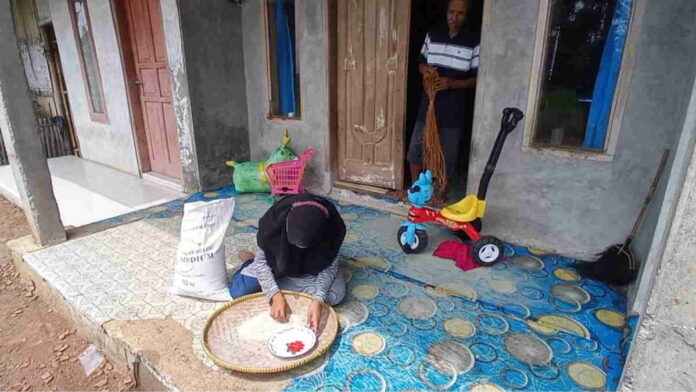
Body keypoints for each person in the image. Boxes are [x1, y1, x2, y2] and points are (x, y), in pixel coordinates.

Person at [228, 193, 347, 332]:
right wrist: (274, 295)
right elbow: (262, 263)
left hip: (310, 269)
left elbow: (328, 267)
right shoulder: (273, 224)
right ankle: (249, 261)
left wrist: (318, 300)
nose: (299, 249)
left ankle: (296, 288)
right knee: (239, 292)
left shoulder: (332, 228)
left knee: (334, 296)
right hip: (275, 264)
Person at [406, 0, 479, 204]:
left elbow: (477, 79)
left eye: (460, 14)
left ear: (467, 16)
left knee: (448, 153)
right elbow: (421, 63)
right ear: (446, 12)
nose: (454, 17)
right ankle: (416, 187)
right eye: (451, 12)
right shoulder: (433, 35)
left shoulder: (473, 42)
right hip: (428, 104)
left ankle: (442, 193)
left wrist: (453, 83)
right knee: (416, 149)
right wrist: (426, 70)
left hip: (453, 108)